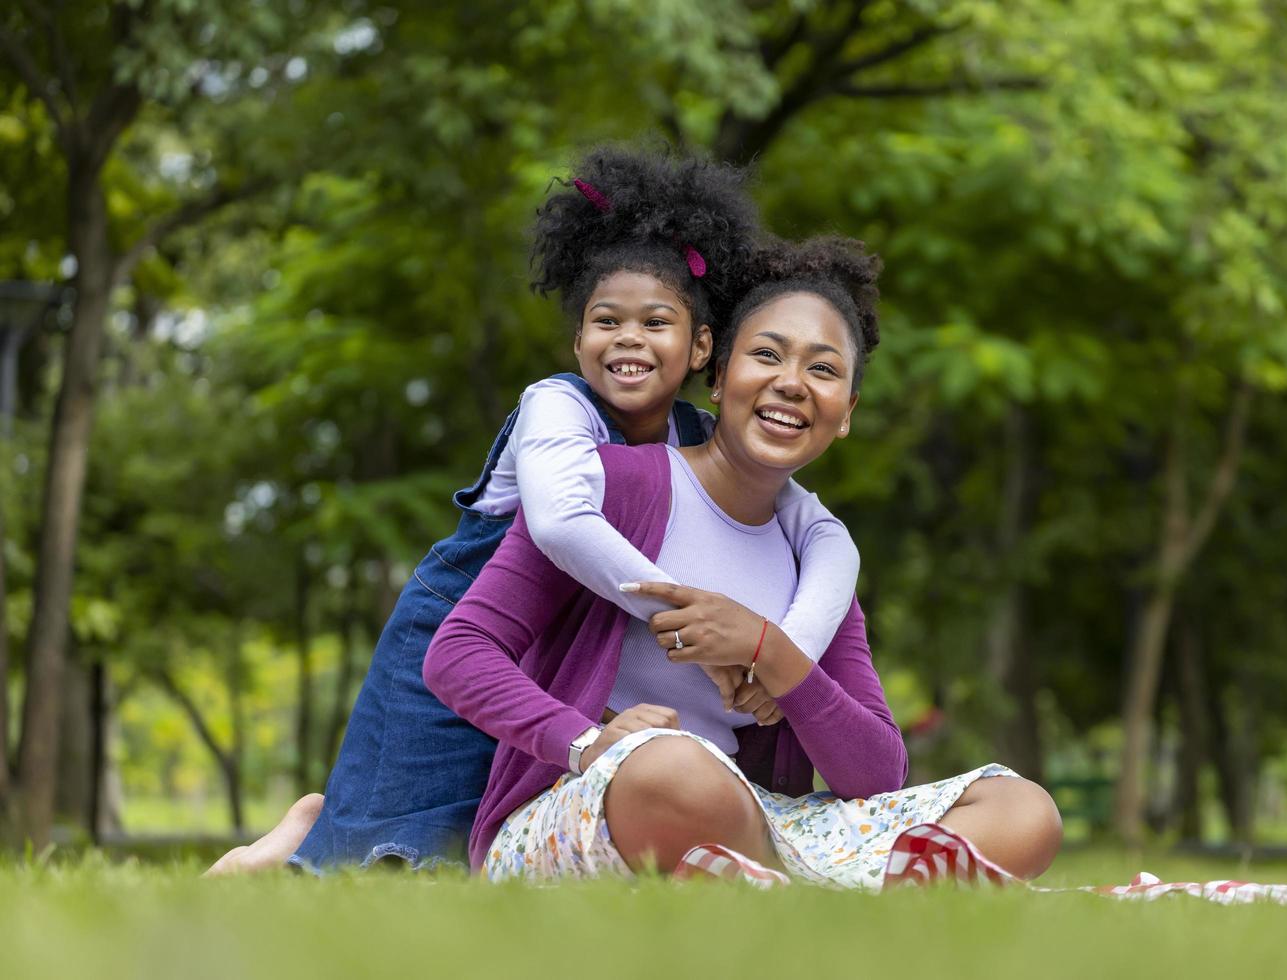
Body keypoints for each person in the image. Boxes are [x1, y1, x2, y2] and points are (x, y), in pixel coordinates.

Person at [206, 148, 861, 875]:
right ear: (578, 338)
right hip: (466, 627)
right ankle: (275, 859)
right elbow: (558, 525)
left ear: (701, 346)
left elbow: (820, 531)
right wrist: (683, 623)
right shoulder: (556, 408)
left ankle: (305, 834)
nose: (630, 339)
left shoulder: (699, 436)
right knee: (402, 850)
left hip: (558, 651)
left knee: (477, 855)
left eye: (657, 322)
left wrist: (776, 651)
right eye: (606, 321)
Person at [423, 237, 1063, 889]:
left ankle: (781, 891)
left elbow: (875, 774)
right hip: (587, 804)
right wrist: (589, 740)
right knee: (671, 770)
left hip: (757, 817)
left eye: (823, 370)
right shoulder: (613, 488)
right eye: (766, 355)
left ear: (846, 414)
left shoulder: (814, 560)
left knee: (1023, 811)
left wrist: (769, 650)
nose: (791, 383)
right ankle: (840, 897)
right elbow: (459, 652)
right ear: (720, 373)